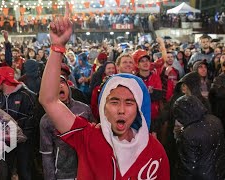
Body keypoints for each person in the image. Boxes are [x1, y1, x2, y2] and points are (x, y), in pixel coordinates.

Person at [39, 3, 169, 179]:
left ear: (138, 108)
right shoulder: (88, 137)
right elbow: (49, 100)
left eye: (129, 102)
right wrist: (57, 48)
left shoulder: (154, 150)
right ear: (102, 107)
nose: (121, 109)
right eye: (114, 101)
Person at [40, 75, 94, 180]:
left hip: (87, 170)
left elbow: (95, 140)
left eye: (62, 82)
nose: (60, 86)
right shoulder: (46, 120)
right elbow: (47, 154)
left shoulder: (84, 109)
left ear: (68, 86)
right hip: (63, 174)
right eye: (55, 84)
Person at [0, 66, 37, 180]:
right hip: (4, 143)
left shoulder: (28, 95)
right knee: (3, 173)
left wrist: (16, 129)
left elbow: (34, 120)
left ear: (2, 79)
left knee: (25, 173)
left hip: (24, 144)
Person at [173, 95, 225, 179]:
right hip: (219, 169)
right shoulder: (215, 119)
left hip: (202, 175)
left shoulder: (189, 133)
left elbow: (189, 166)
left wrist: (179, 137)